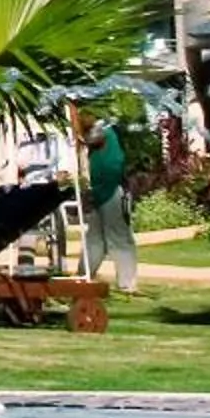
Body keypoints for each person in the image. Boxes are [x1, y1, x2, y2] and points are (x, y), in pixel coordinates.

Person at [80, 114, 140, 297]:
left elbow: (92, 137)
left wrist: (78, 133)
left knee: (118, 239)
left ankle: (127, 283)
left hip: (112, 190)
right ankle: (84, 276)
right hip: (98, 191)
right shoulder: (100, 136)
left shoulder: (104, 129)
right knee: (94, 239)